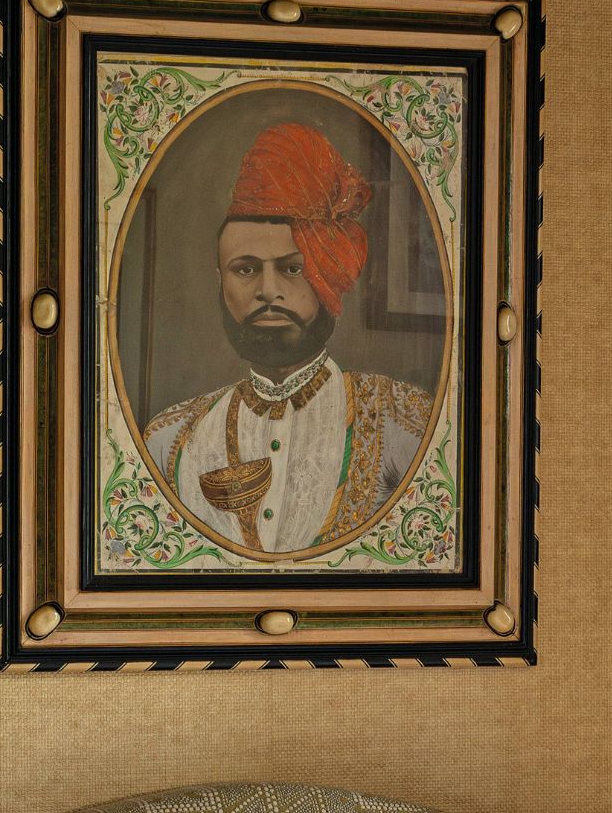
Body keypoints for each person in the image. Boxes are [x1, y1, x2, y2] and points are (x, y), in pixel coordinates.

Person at [143, 120, 432, 556]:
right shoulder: (168, 440)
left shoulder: (406, 424)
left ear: (326, 276)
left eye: (293, 268)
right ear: (219, 281)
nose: (268, 290)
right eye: (245, 269)